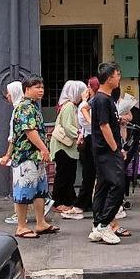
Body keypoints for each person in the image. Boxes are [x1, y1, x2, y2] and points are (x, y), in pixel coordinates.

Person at [11, 75, 59, 239]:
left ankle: (41, 222)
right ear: (27, 89)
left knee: (40, 191)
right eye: (36, 87)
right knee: (23, 191)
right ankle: (21, 226)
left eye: (42, 87)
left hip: (36, 156)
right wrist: (44, 148)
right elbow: (29, 131)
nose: (41, 90)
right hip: (26, 156)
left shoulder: (33, 107)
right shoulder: (25, 107)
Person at [89, 62, 125, 245]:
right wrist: (115, 149)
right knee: (118, 184)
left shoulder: (102, 98)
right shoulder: (102, 99)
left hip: (102, 150)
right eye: (118, 74)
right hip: (107, 150)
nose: (119, 78)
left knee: (102, 186)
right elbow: (104, 126)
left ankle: (97, 225)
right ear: (109, 77)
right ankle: (104, 224)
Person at [51, 80, 87, 218]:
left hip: (65, 147)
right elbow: (67, 126)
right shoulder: (69, 106)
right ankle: (58, 202)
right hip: (64, 147)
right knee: (64, 174)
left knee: (67, 174)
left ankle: (67, 199)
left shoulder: (67, 105)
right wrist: (79, 133)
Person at [77, 77, 99, 212]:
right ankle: (87, 202)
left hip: (91, 139)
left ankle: (82, 203)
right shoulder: (104, 100)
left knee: (89, 173)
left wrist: (84, 101)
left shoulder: (88, 104)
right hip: (92, 138)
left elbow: (83, 120)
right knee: (92, 174)